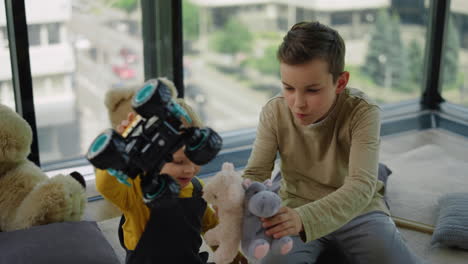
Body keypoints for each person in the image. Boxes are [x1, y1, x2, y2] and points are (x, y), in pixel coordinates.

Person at [242, 21, 422, 264]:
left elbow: (360, 185)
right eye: (288, 88)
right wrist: (236, 203)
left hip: (357, 208)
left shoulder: (363, 112)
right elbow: (256, 172)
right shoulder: (274, 111)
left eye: (312, 90)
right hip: (294, 203)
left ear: (340, 82)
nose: (298, 103)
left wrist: (304, 220)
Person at [95, 99, 245, 264]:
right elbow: (105, 185)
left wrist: (232, 256)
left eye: (195, 160)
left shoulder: (197, 188)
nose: (189, 169)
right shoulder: (138, 191)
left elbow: (210, 227)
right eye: (178, 162)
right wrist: (119, 153)